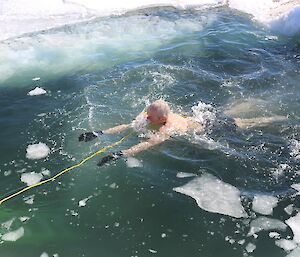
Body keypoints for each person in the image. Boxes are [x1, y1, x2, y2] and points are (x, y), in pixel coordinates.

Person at [79, 99, 287, 166]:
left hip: (210, 126)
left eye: (149, 116)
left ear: (162, 119)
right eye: (146, 114)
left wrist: (120, 154)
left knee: (245, 123)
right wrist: (99, 133)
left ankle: (278, 119)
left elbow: (149, 144)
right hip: (201, 117)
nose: (145, 118)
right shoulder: (153, 116)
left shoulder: (168, 128)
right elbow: (127, 125)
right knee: (232, 115)